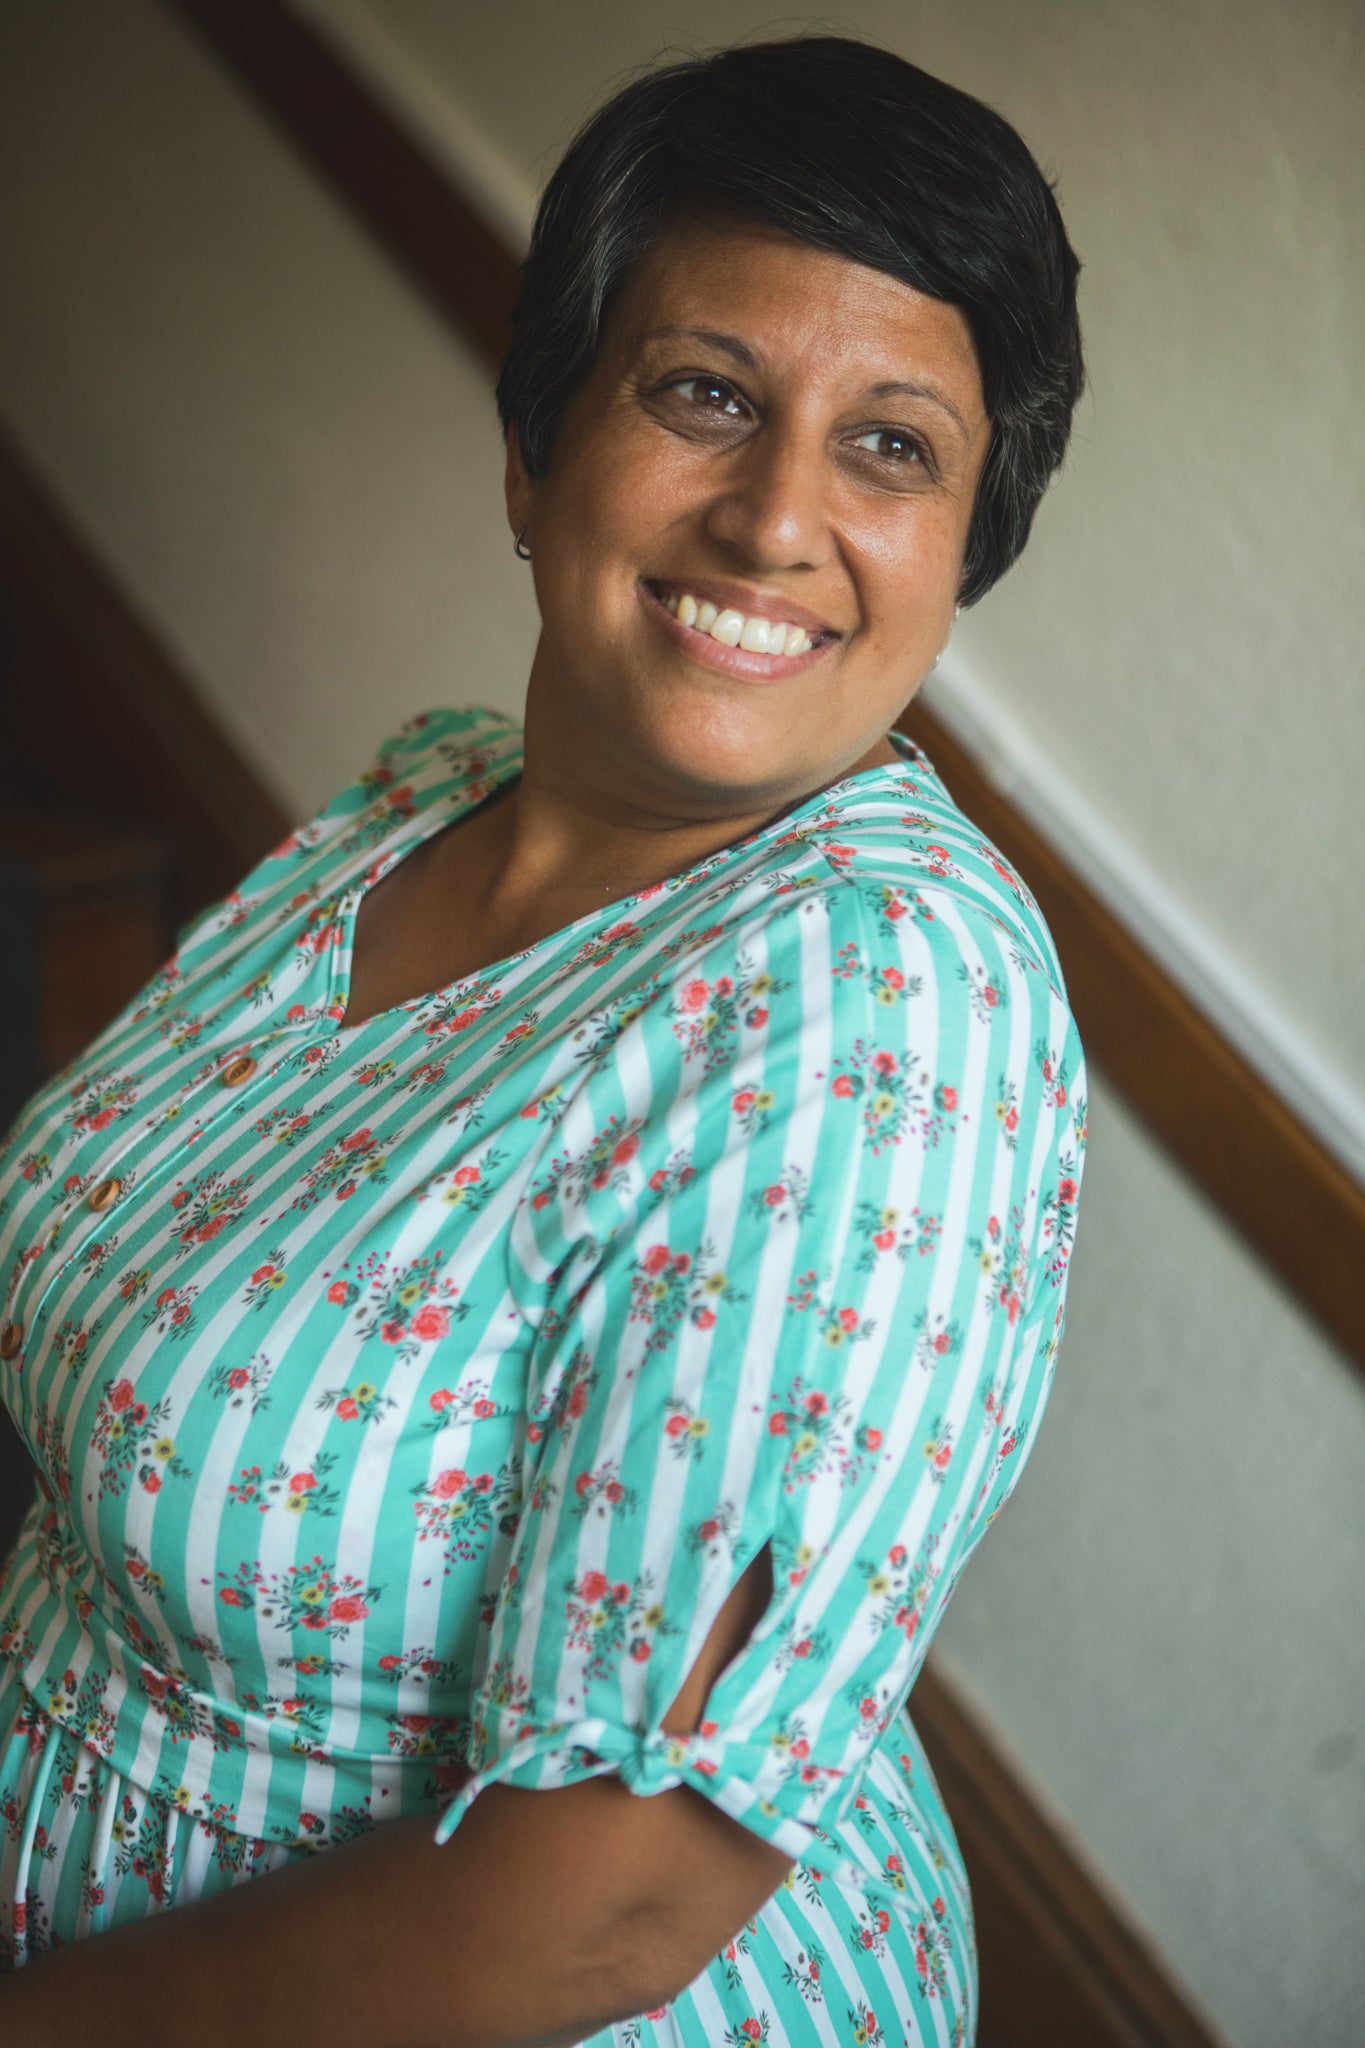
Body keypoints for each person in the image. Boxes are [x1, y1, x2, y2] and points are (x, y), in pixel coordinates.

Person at [0, 33, 1087, 2048]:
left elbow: (609, 1902)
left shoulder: (875, 986)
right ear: (531, 454)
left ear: (959, 551)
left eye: (889, 445)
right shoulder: (420, 799)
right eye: (703, 395)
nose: (774, 518)